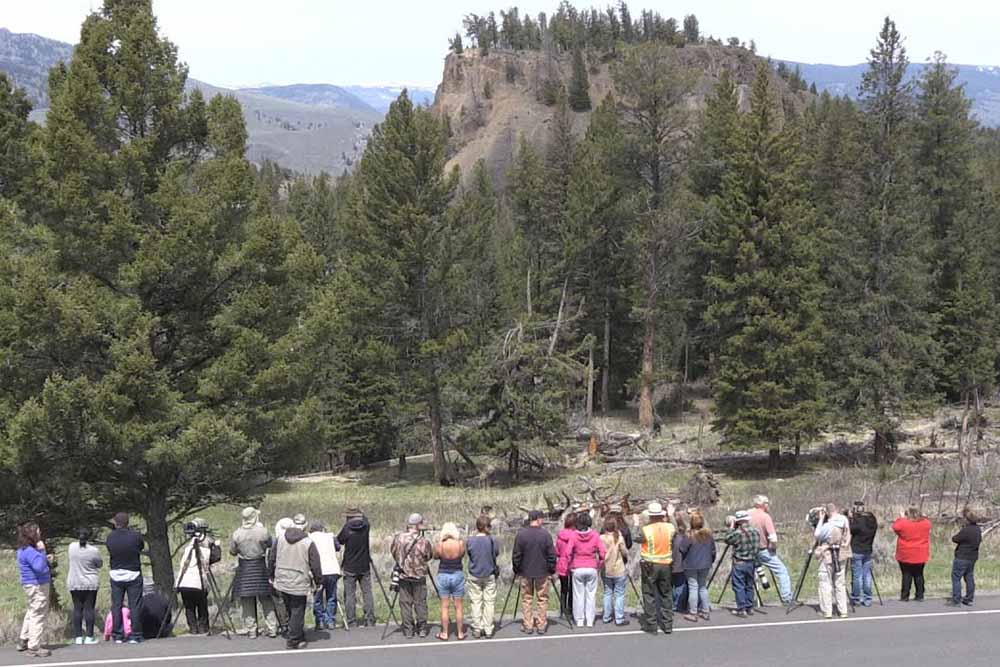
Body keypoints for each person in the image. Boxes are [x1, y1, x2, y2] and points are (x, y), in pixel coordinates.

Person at [268, 515, 323, 650]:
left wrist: (270, 575)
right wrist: (318, 581)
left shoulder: (280, 539)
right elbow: (315, 564)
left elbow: (272, 558)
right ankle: (294, 640)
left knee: (289, 608)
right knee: (298, 610)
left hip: (281, 578)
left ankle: (295, 632)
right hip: (299, 579)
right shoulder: (308, 542)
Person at [230, 507, 278, 638]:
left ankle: (251, 630)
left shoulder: (237, 534)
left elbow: (233, 551)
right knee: (266, 600)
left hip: (245, 568)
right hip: (260, 566)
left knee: (247, 601)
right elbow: (270, 544)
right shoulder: (262, 531)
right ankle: (272, 628)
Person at [632, 501, 676, 635]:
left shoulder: (646, 529)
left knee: (649, 594)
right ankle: (667, 624)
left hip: (650, 565)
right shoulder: (670, 527)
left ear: (650, 516)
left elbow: (636, 538)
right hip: (666, 564)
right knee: (666, 594)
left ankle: (651, 624)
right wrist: (671, 515)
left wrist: (636, 523)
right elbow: (676, 529)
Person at [511, 510, 557, 635]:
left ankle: (528, 624)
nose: (543, 521)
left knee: (527, 599)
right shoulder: (545, 535)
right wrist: (551, 569)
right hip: (542, 572)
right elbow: (552, 555)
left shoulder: (521, 534)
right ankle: (541, 625)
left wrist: (517, 568)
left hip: (526, 572)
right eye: (542, 518)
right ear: (538, 519)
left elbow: (516, 555)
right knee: (542, 599)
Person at [390, 513, 435, 638]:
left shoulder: (398, 538)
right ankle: (422, 628)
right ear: (418, 525)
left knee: (405, 603)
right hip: (419, 576)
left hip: (403, 575)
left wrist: (402, 563)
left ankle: (408, 629)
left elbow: (393, 552)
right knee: (420, 602)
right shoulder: (423, 541)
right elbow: (429, 556)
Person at [175, 518, 222, 635]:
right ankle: (203, 627)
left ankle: (193, 628)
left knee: (189, 607)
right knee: (202, 604)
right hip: (198, 582)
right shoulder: (204, 550)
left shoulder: (187, 548)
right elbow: (215, 557)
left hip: (184, 582)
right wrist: (216, 546)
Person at [107, 512, 146, 643]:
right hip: (133, 572)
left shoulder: (110, 537)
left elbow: (110, 550)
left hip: (116, 573)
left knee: (116, 605)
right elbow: (141, 547)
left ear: (115, 522)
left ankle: (117, 634)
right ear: (127, 522)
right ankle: (135, 634)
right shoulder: (135, 536)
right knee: (135, 605)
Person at [748, 495, 793, 604]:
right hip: (763, 550)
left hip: (748, 550)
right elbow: (773, 537)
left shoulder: (747, 514)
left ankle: (750, 599)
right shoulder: (765, 517)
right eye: (767, 503)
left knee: (750, 574)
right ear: (763, 504)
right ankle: (786, 597)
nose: (768, 505)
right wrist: (773, 547)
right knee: (782, 571)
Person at [16, 522, 52, 658]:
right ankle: (34, 646)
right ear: (33, 534)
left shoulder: (23, 549)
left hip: (28, 584)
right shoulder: (32, 551)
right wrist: (42, 551)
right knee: (38, 614)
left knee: (32, 611)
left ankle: (23, 639)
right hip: (38, 585)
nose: (40, 533)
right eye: (38, 531)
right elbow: (39, 568)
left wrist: (42, 557)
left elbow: (35, 563)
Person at [338, 508, 376, 628]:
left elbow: (340, 540)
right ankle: (370, 619)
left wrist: (347, 522)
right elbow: (366, 519)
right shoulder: (366, 526)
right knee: (367, 593)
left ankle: (351, 621)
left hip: (350, 565)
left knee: (350, 594)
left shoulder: (347, 529)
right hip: (364, 564)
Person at [567, 513, 606, 628]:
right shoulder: (595, 535)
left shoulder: (574, 535)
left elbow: (568, 552)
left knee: (578, 595)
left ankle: (579, 619)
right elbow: (602, 552)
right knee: (591, 595)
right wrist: (599, 563)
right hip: (592, 566)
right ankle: (590, 620)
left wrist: (570, 564)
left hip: (578, 567)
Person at [814, 504, 852, 619]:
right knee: (840, 583)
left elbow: (817, 535)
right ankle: (843, 610)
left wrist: (820, 519)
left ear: (827, 512)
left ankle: (827, 611)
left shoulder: (828, 525)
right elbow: (848, 533)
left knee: (825, 583)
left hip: (827, 555)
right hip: (842, 553)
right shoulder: (844, 520)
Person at [720, 510, 759, 619]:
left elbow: (727, 539)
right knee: (749, 585)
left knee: (739, 586)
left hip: (739, 563)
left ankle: (741, 609)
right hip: (751, 562)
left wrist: (731, 527)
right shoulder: (755, 531)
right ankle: (749, 607)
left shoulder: (737, 533)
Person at [466, 514, 500, 638]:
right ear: (487, 526)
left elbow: (469, 554)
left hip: (474, 573)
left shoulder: (470, 540)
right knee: (489, 602)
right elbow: (496, 553)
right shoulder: (492, 540)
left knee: (476, 602)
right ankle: (488, 628)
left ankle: (477, 627)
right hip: (489, 573)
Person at [68, 527, 103, 645]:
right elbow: (99, 564)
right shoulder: (94, 550)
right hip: (90, 583)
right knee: (89, 609)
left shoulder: (71, 547)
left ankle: (78, 636)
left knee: (77, 608)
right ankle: (89, 636)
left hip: (74, 581)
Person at [679, 510, 715, 622]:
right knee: (703, 587)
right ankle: (705, 611)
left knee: (693, 588)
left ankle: (693, 612)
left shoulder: (689, 535)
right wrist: (710, 561)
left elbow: (682, 549)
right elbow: (713, 551)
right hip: (705, 564)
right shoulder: (709, 535)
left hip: (691, 565)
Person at [434, 522, 467, 640]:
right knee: (458, 606)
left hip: (443, 574)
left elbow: (435, 555)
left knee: (445, 606)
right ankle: (460, 633)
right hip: (457, 573)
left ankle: (445, 632)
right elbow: (462, 555)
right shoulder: (460, 543)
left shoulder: (441, 544)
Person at [307, 521, 342, 631]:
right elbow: (338, 547)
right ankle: (330, 620)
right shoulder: (330, 536)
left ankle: (320, 621)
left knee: (318, 597)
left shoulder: (309, 538)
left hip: (318, 571)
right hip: (332, 570)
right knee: (331, 596)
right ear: (322, 529)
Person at [892, 507, 931, 602]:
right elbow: (928, 522)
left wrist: (901, 518)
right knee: (919, 574)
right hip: (921, 553)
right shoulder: (925, 523)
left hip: (906, 553)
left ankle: (905, 596)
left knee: (906, 574)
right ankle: (920, 595)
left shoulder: (904, 523)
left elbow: (895, 527)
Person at [599, 516, 629, 626]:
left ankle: (606, 616)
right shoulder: (619, 538)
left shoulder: (601, 538)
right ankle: (619, 618)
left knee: (607, 592)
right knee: (619, 594)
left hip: (606, 569)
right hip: (619, 569)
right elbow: (625, 552)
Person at [848, 500, 878, 607]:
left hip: (857, 551)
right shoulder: (872, 521)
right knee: (867, 575)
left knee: (857, 576)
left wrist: (850, 518)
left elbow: (849, 529)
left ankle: (856, 598)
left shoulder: (858, 523)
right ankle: (868, 598)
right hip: (868, 550)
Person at [950, 507, 982, 606]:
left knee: (956, 578)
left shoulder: (966, 530)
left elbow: (955, 539)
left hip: (962, 557)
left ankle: (956, 599)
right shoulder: (978, 529)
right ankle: (969, 598)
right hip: (972, 557)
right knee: (969, 577)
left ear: (967, 519)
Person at [555, 512, 577, 621]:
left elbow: (557, 552)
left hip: (562, 563)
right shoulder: (576, 535)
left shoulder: (560, 535)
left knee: (564, 588)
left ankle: (562, 609)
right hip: (573, 562)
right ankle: (571, 608)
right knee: (573, 588)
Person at [671, 513, 688, 614]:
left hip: (672, 563)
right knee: (679, 586)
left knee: (674, 586)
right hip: (681, 564)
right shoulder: (684, 537)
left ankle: (675, 604)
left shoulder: (673, 538)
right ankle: (679, 604)